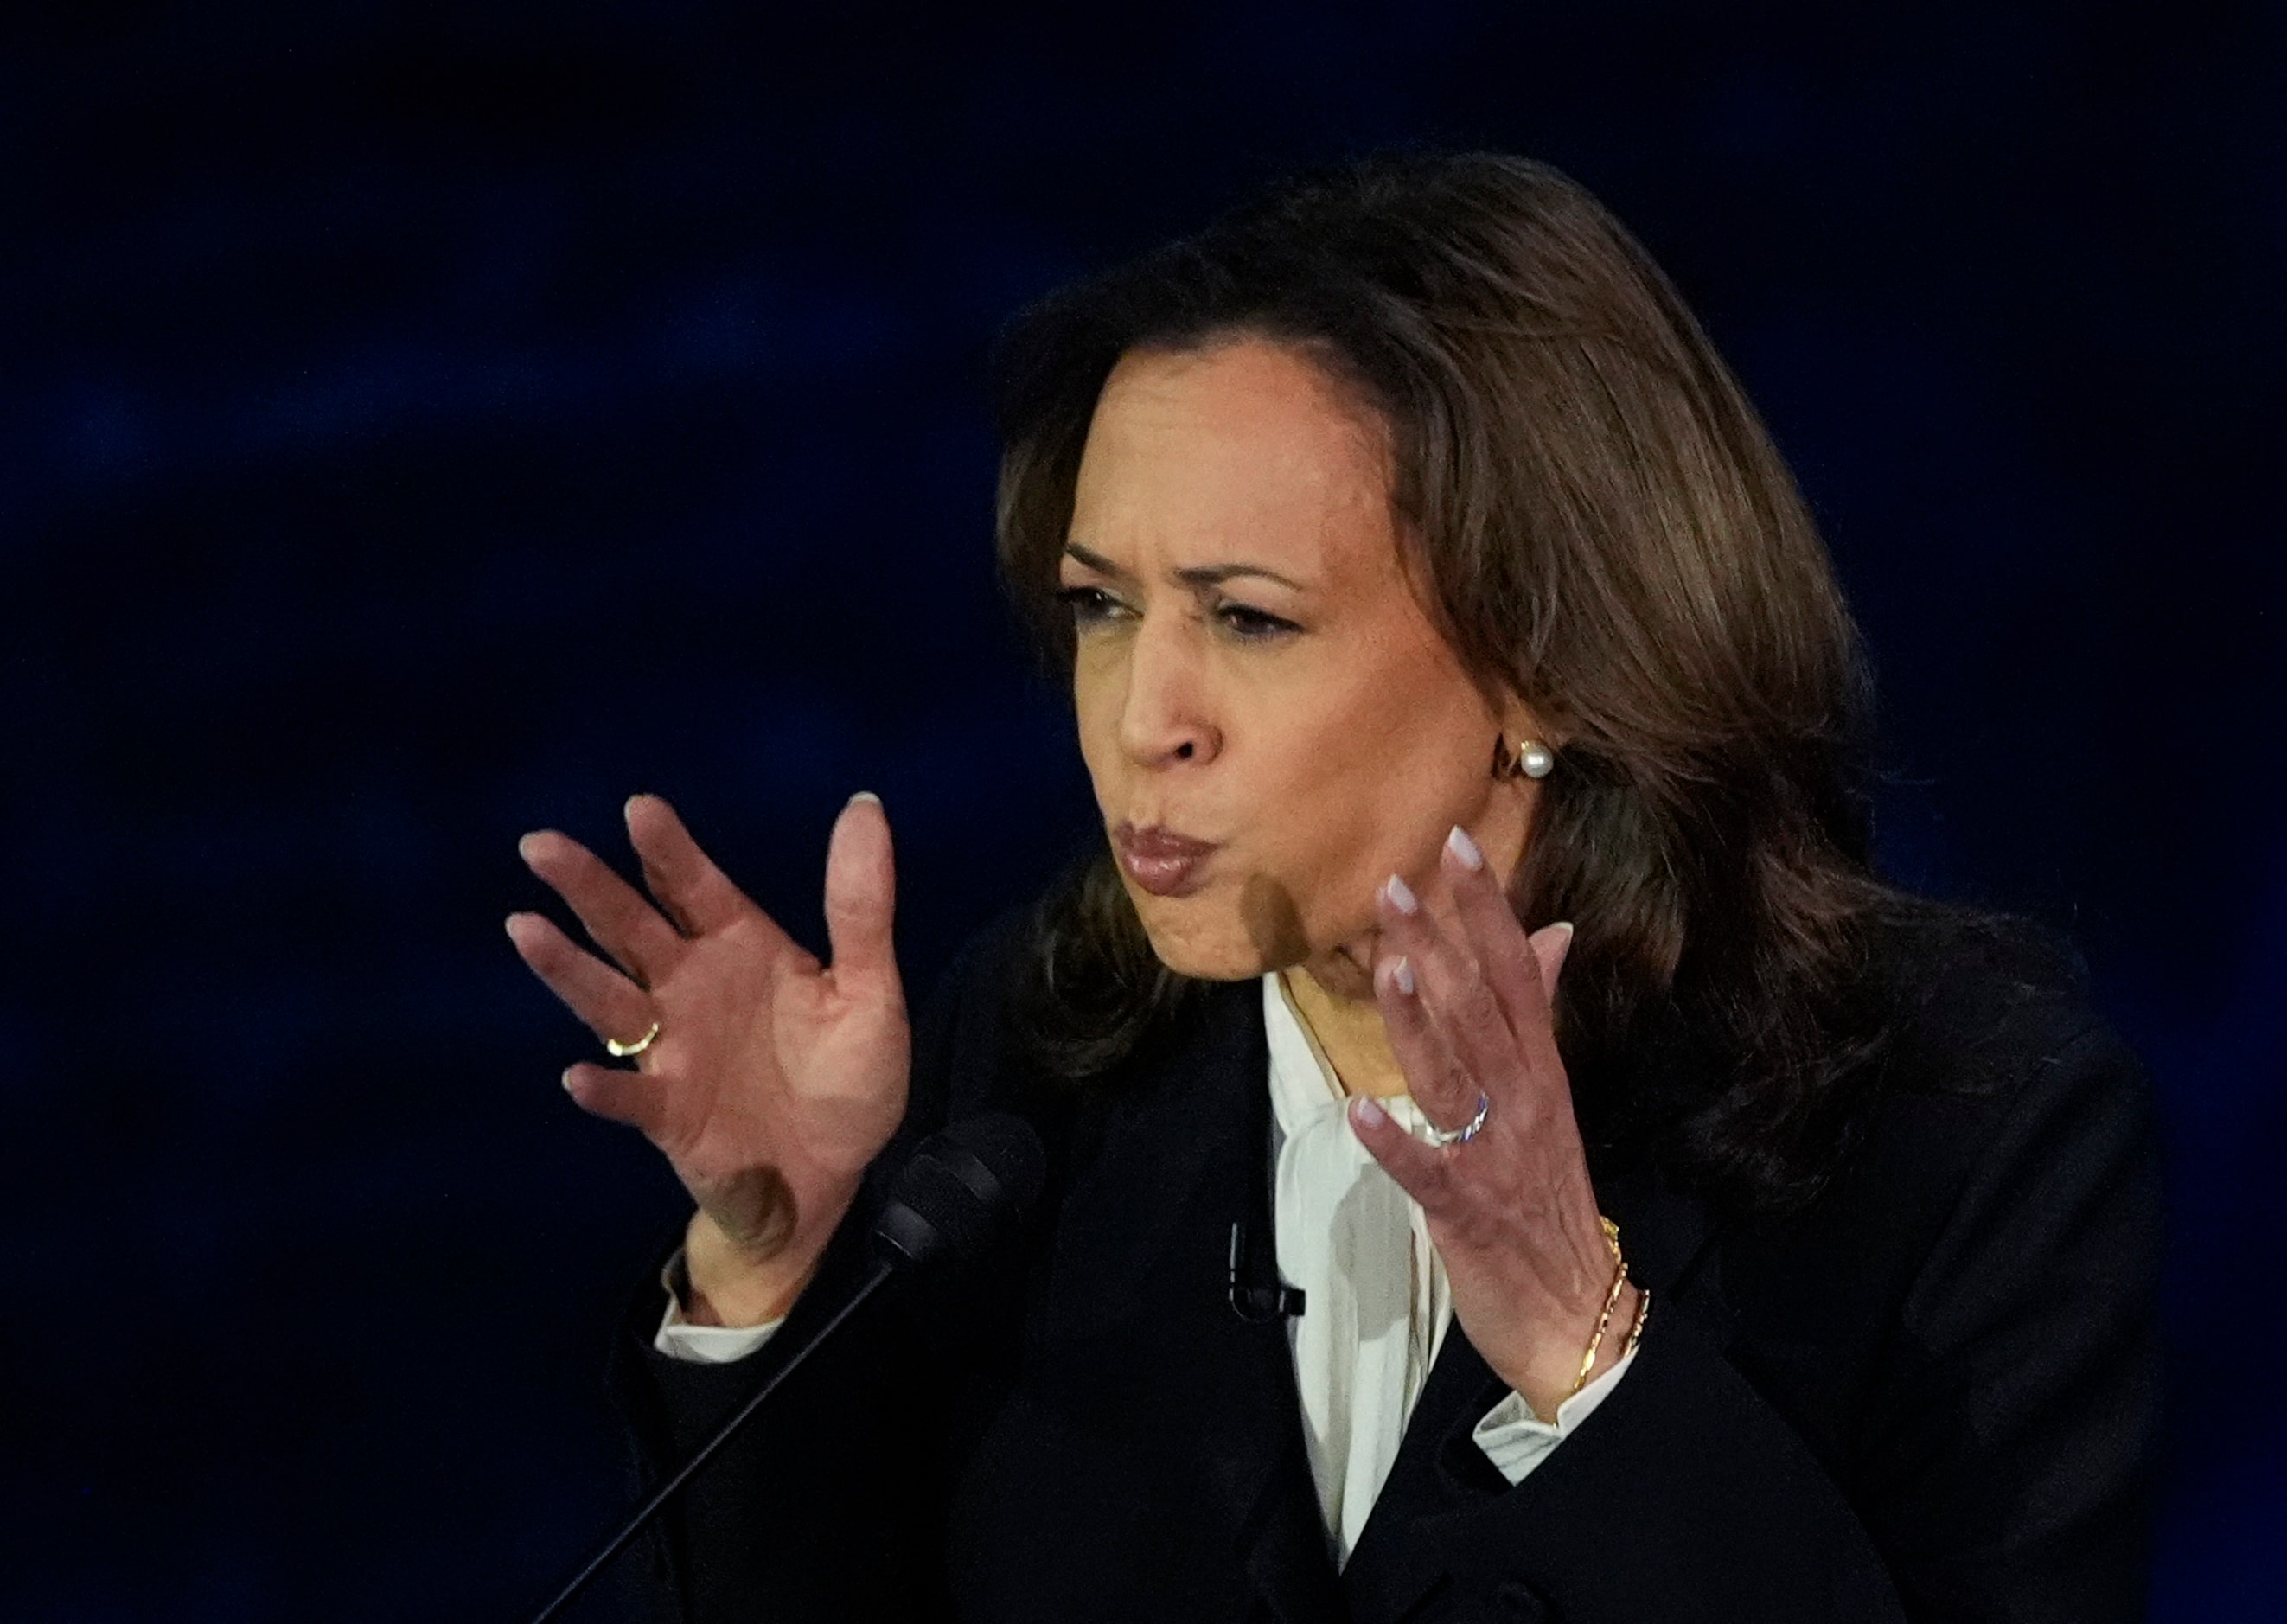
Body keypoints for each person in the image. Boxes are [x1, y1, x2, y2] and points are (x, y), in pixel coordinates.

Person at [507, 151, 2161, 1623]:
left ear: (1549, 663)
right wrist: (770, 1276)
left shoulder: (1950, 1128)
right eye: (1100, 607)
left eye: (1246, 618)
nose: (1141, 721)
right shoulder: (1035, 1064)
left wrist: (1581, 1351)